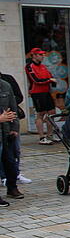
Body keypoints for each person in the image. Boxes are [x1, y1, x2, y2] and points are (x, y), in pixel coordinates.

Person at [25, 48, 56, 145]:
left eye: (42, 54)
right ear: (34, 55)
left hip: (46, 91)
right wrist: (49, 80)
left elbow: (50, 76)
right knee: (40, 113)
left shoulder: (43, 66)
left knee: (52, 112)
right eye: (40, 55)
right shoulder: (29, 66)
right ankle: (42, 137)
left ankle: (50, 135)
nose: (42, 56)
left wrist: (51, 81)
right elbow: (36, 80)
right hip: (37, 93)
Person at [0, 75, 20, 207]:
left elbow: (13, 108)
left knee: (11, 162)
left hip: (6, 132)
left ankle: (12, 187)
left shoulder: (5, 85)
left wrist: (15, 127)